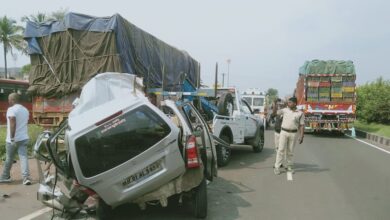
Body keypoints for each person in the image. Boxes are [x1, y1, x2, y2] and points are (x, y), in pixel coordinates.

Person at [0, 93, 31, 185]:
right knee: (23, 157)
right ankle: (26, 178)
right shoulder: (25, 110)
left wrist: (12, 138)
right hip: (24, 137)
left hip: (12, 139)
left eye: (9, 99)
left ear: (13, 100)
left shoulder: (11, 109)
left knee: (9, 158)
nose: (8, 101)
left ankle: (5, 177)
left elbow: (13, 123)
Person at [273, 96, 304, 175]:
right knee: (280, 150)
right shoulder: (285, 110)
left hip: (293, 134)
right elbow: (275, 113)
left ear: (295, 103)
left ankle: (289, 167)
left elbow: (301, 125)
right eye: (288, 102)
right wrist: (275, 104)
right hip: (283, 132)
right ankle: (277, 167)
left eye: (290, 102)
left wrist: (301, 136)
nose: (288, 103)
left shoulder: (300, 113)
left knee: (290, 152)